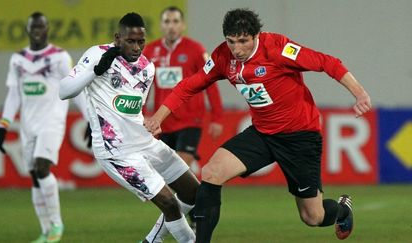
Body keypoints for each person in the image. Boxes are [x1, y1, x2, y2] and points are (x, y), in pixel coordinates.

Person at [144, 8, 372, 242]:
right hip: (262, 134)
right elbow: (188, 86)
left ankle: (342, 210)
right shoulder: (223, 56)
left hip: (300, 136)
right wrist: (157, 119)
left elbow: (328, 63)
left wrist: (360, 94)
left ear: (256, 36)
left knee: (312, 216)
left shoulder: (278, 48)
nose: (237, 49)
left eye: (243, 41)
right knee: (212, 172)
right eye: (231, 41)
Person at [59, 12, 199, 243]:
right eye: (130, 41)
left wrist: (148, 123)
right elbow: (64, 91)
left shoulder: (147, 67)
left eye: (140, 42)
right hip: (117, 151)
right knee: (169, 203)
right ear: (117, 38)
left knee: (193, 192)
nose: (136, 47)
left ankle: (151, 240)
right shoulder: (97, 55)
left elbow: (135, 107)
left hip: (145, 141)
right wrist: (95, 71)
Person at [0, 12, 89, 243]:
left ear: (47, 30)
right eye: (33, 27)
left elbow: (75, 88)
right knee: (36, 177)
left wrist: (90, 119)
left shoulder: (59, 57)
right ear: (28, 30)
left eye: (41, 27)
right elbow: (14, 95)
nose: (37, 31)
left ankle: (57, 224)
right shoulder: (18, 59)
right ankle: (46, 231)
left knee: (42, 167)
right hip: (28, 125)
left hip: (52, 121)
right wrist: (3, 124)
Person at [142, 6, 223, 235]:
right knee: (169, 178)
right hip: (162, 122)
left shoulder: (196, 50)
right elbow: (143, 86)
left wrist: (216, 116)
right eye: (167, 21)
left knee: (180, 169)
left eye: (175, 21)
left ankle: (173, 226)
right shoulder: (151, 50)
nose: (171, 25)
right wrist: (141, 113)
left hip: (190, 119)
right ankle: (189, 211)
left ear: (182, 25)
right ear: (161, 25)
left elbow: (211, 83)